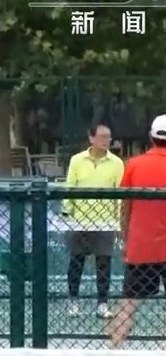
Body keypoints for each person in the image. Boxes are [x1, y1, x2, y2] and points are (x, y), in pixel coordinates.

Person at [107, 115, 166, 351]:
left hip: (140, 247)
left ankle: (112, 354)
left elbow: (125, 207)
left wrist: (125, 238)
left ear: (151, 137)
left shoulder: (134, 165)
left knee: (128, 302)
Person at [62, 124, 123, 318]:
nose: (106, 141)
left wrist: (119, 221)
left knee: (104, 264)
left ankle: (102, 304)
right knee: (76, 262)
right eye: (102, 137)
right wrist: (67, 213)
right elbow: (70, 187)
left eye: (109, 137)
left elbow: (120, 194)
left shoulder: (117, 163)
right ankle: (73, 301)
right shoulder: (76, 160)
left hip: (106, 222)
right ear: (91, 138)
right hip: (79, 221)